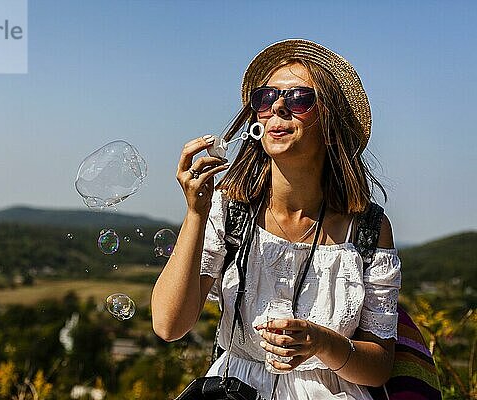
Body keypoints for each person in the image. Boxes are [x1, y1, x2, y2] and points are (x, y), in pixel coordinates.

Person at [150, 39, 401, 400]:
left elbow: (378, 370)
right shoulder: (231, 210)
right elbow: (168, 325)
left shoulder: (368, 230)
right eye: (265, 99)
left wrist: (320, 342)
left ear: (329, 121)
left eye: (299, 98)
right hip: (236, 390)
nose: (278, 106)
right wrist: (196, 214)